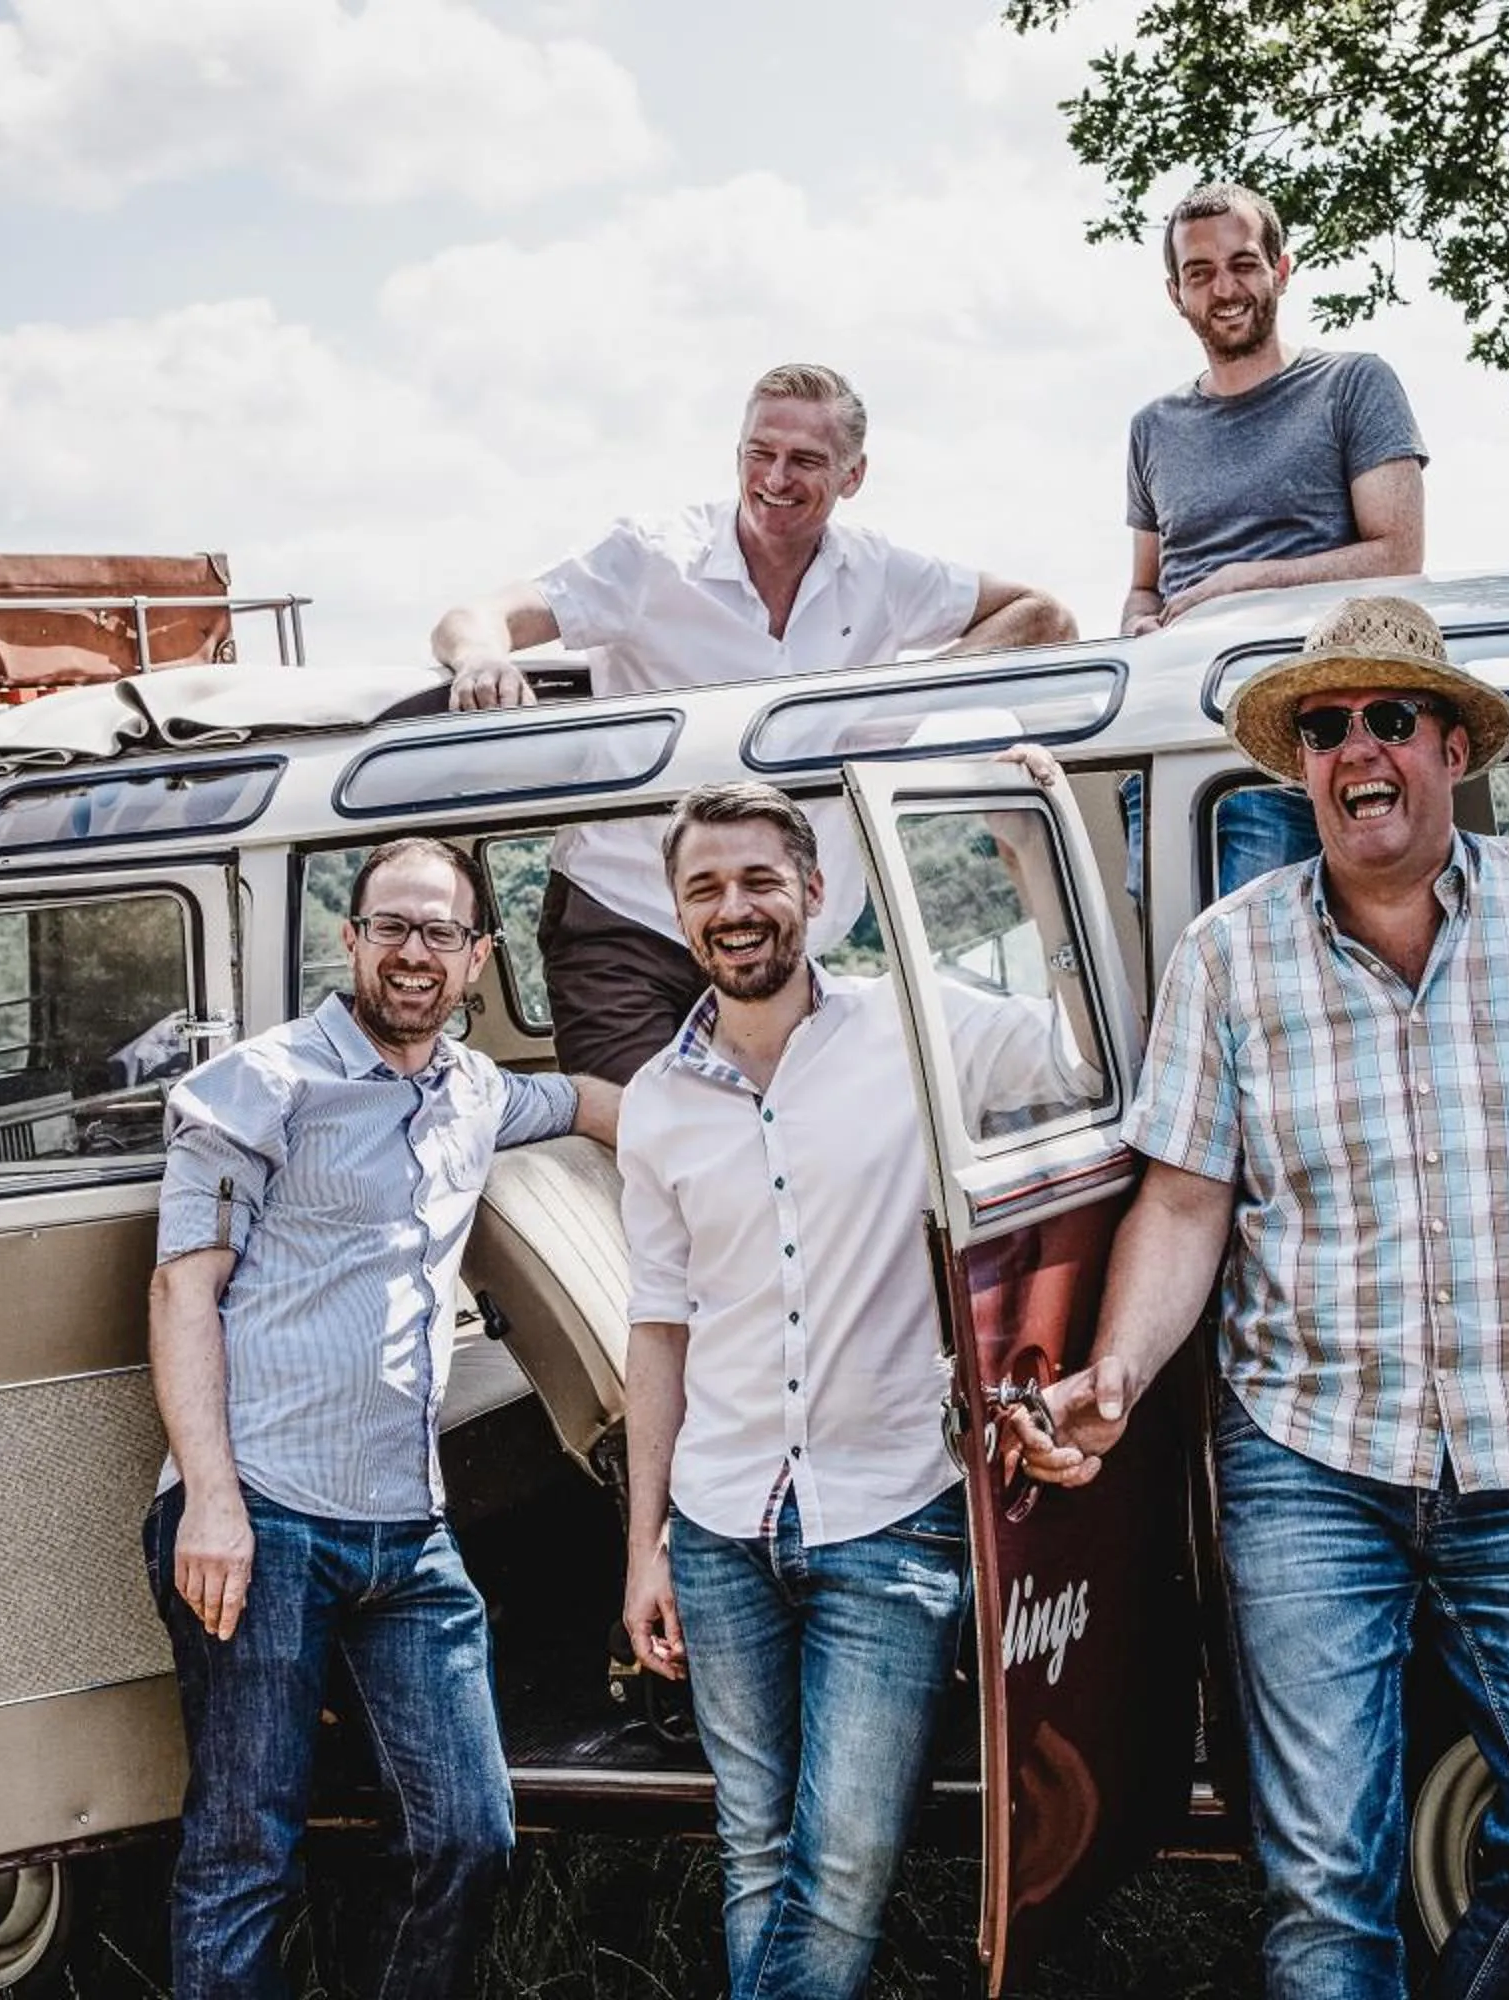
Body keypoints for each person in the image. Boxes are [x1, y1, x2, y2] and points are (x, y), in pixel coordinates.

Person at [1020, 596, 1509, 1999]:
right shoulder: (1230, 954)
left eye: (1391, 717)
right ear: (1303, 765)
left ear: (1451, 747)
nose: (1358, 749)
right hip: (1310, 1462)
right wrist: (1121, 1370)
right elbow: (1185, 1203)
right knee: (1326, 1884)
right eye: (1327, 728)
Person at [614, 774, 1099, 2000]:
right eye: (706, 887)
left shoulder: (921, 1025)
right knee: (754, 1846)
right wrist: (645, 1544)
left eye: (759, 879)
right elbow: (659, 1330)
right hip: (720, 1520)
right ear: (679, 913)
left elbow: (1087, 1051)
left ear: (815, 890)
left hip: (893, 1512)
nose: (734, 907)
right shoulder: (659, 1102)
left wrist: (1032, 861)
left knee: (841, 1862)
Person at [146, 835, 622, 2000]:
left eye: (441, 932)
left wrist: (750, 1136)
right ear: (351, 939)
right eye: (393, 926)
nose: (416, 952)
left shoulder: (477, 1091)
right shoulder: (262, 1084)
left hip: (407, 1530)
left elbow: (592, 1100)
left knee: (469, 1829)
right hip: (261, 1514)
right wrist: (210, 1500)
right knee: (246, 1845)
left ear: (477, 957)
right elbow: (181, 1292)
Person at [431, 362, 1078, 1084]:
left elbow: (1044, 618)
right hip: (629, 925)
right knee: (651, 1130)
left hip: (782, 939)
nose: (775, 478)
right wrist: (481, 658)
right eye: (759, 453)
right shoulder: (651, 558)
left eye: (805, 460)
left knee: (782, 1139)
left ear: (853, 476)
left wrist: (905, 700)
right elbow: (474, 618)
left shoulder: (882, 576)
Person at [1123, 181, 1429, 895]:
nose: (1224, 289)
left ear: (1280, 270)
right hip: (1168, 736)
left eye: (1243, 264)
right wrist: (1139, 623)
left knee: (1260, 941)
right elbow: (1142, 585)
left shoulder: (1353, 385)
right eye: (1200, 273)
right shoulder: (1152, 428)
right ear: (1176, 294)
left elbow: (1398, 557)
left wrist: (1244, 585)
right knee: (1167, 951)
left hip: (1297, 739)